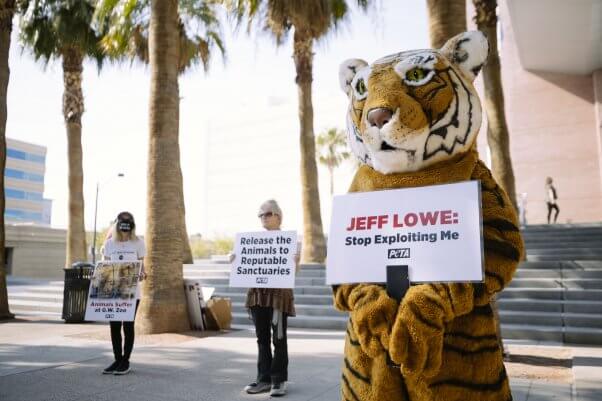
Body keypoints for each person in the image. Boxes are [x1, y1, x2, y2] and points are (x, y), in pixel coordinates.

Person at [233, 200, 298, 397]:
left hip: (279, 297)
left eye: (267, 213)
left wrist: (296, 262)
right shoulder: (252, 242)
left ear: (278, 216)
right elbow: (241, 265)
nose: (263, 217)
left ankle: (278, 381)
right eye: (260, 215)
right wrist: (234, 259)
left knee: (279, 339)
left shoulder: (289, 240)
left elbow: (294, 270)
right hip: (258, 295)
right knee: (262, 339)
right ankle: (264, 380)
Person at [101, 211, 146, 375]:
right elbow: (105, 267)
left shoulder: (138, 243)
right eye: (123, 224)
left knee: (128, 325)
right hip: (113, 291)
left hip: (132, 292)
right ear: (117, 224)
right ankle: (117, 359)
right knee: (114, 326)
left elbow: (142, 266)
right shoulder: (109, 244)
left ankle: (126, 360)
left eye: (128, 224)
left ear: (132, 225)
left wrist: (142, 273)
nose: (125, 228)